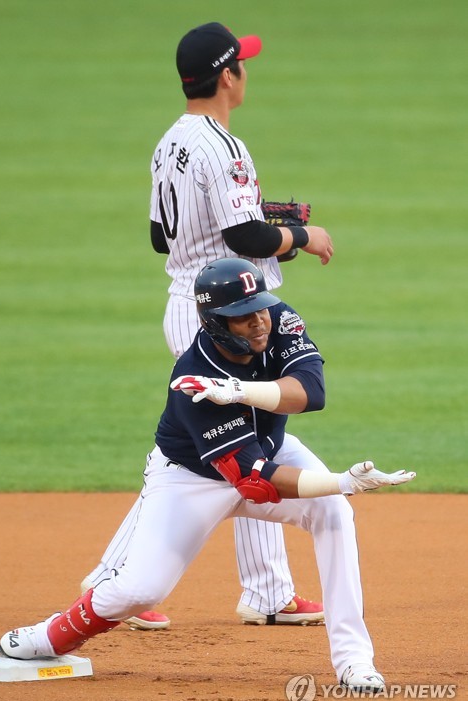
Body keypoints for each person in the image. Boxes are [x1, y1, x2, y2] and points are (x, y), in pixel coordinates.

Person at [0, 259, 415, 692]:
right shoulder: (191, 380)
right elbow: (257, 480)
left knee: (333, 515)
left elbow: (311, 393)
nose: (259, 324)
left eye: (260, 309)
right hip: (190, 479)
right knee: (139, 591)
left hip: (269, 448)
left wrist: (239, 390)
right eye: (243, 318)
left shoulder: (279, 319)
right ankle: (49, 635)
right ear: (215, 323)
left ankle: (354, 661)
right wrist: (342, 481)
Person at [81, 21, 335, 630]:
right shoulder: (226, 147)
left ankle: (267, 592)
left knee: (242, 440)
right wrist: (302, 236)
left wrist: (252, 229)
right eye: (242, 64)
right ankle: (114, 577)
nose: (246, 71)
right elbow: (244, 237)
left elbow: (158, 236)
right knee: (202, 455)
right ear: (228, 76)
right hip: (222, 312)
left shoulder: (169, 142)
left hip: (190, 298)